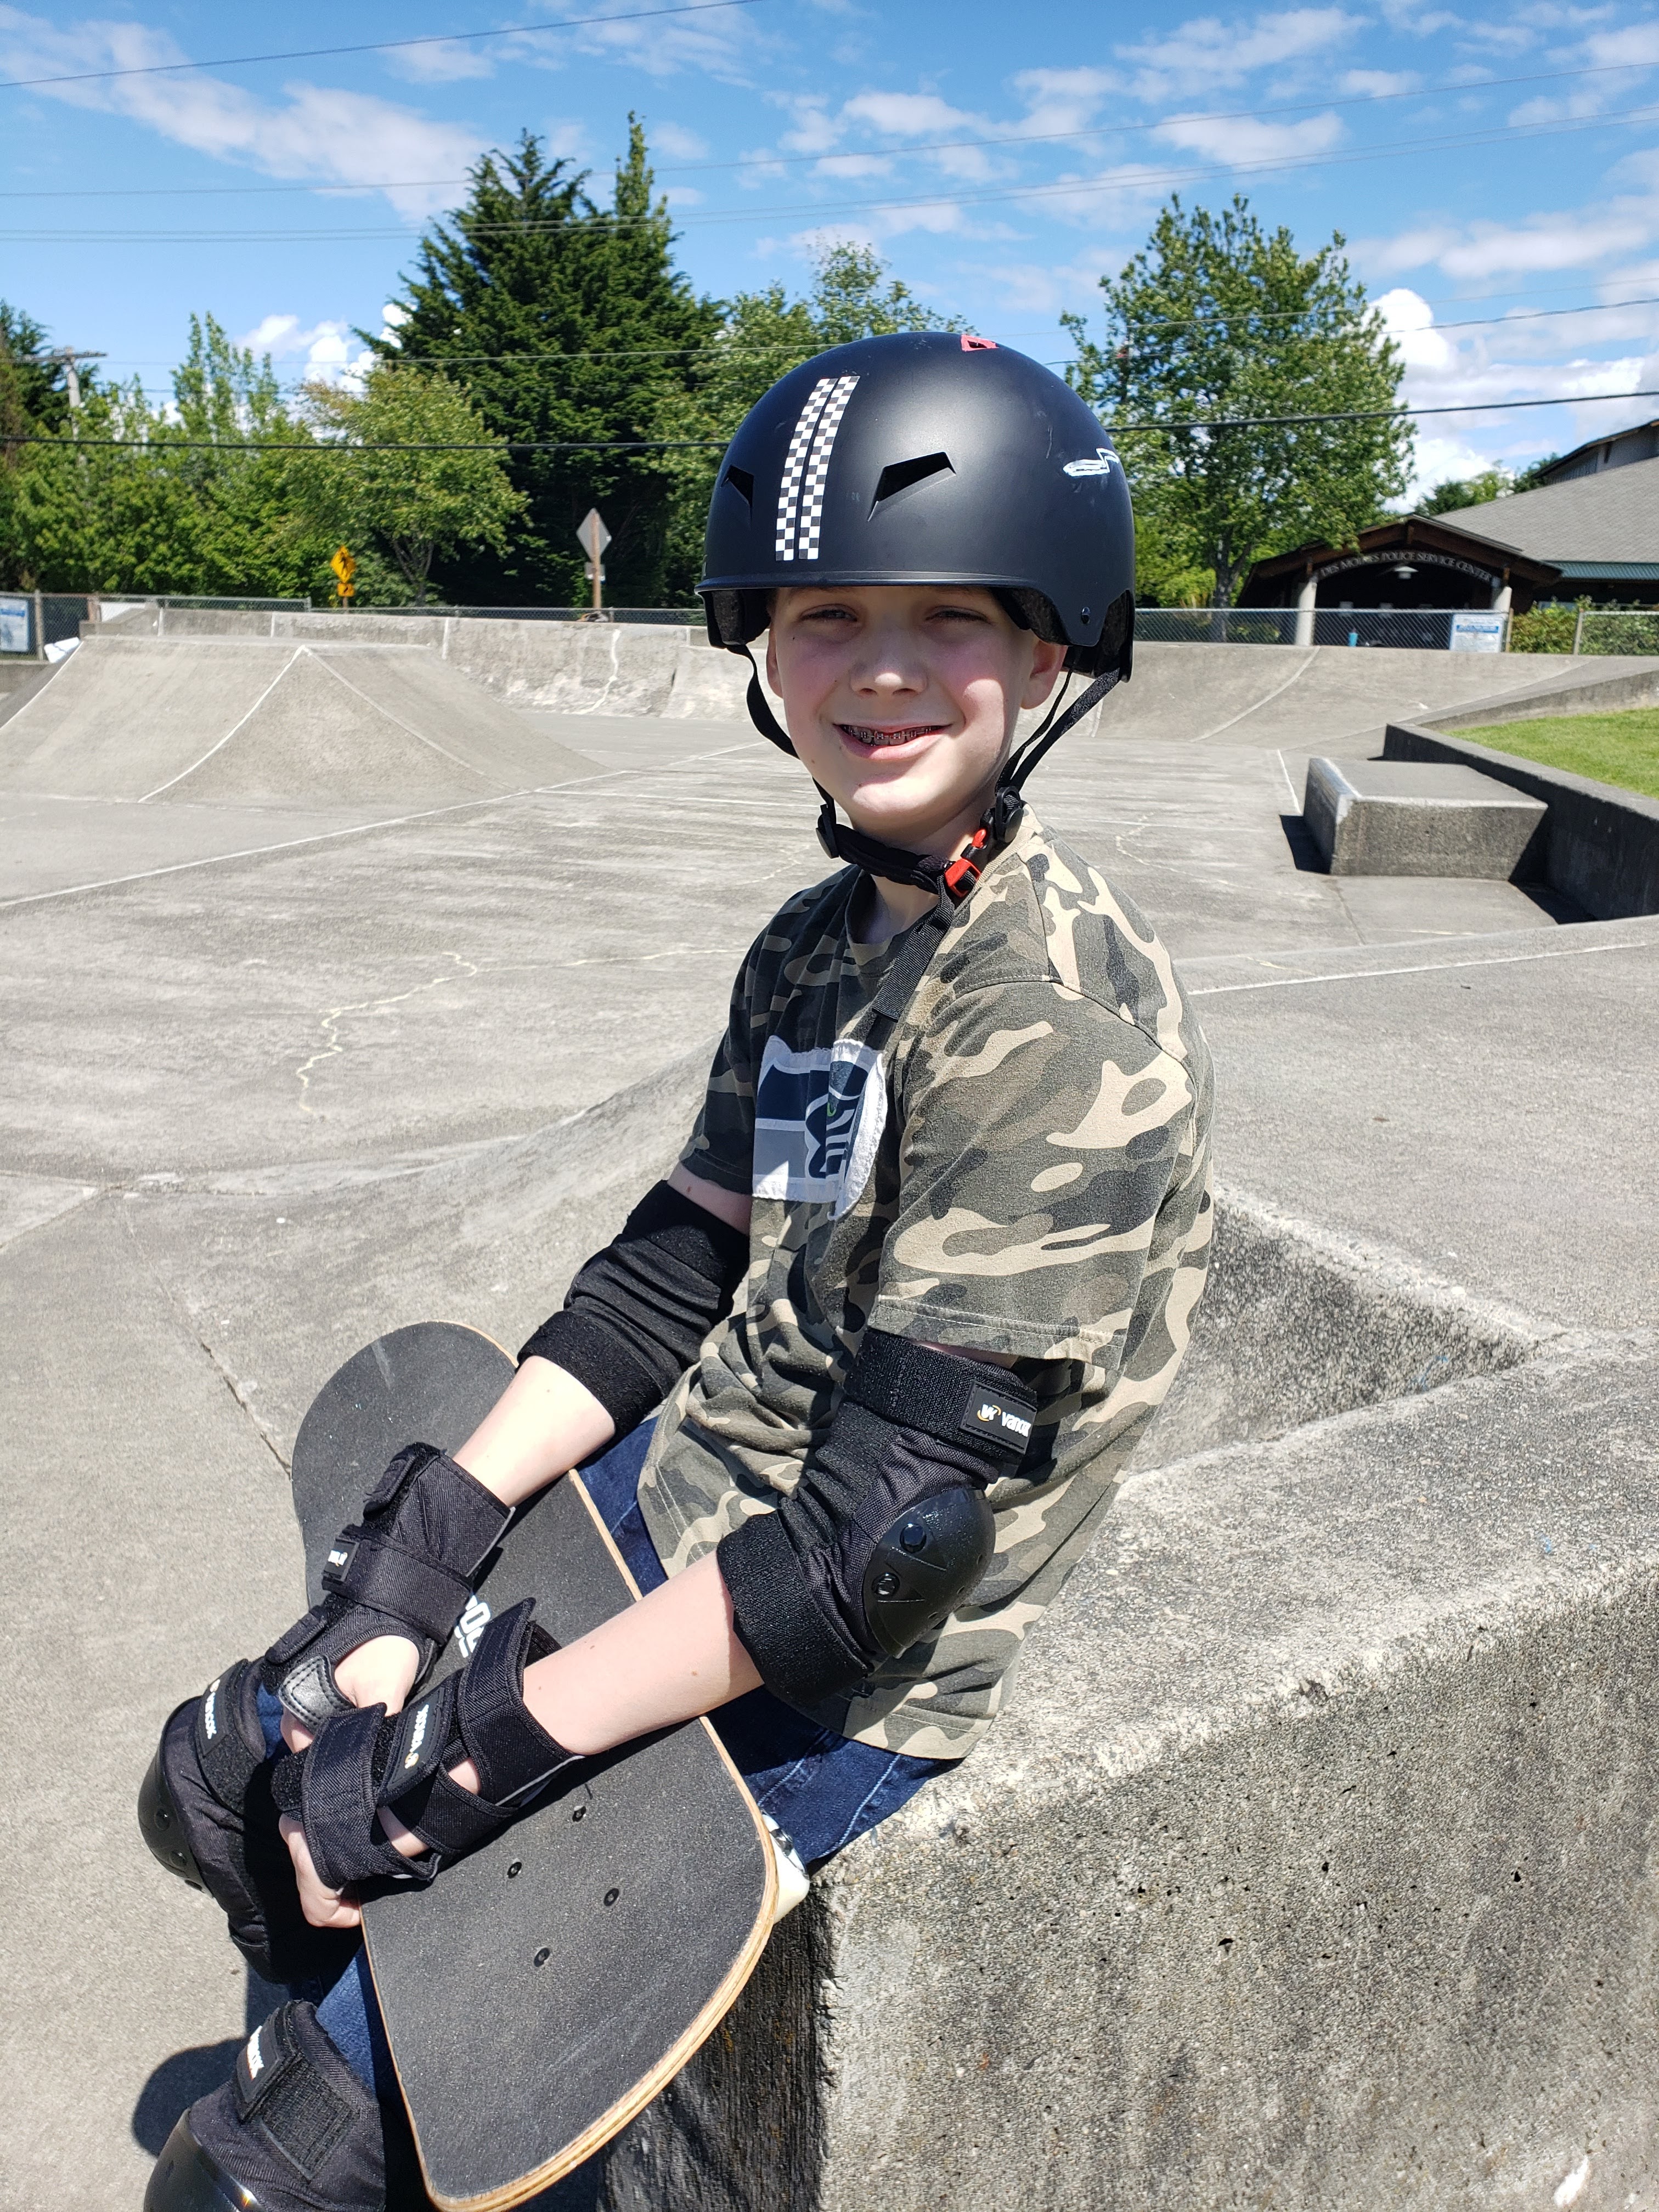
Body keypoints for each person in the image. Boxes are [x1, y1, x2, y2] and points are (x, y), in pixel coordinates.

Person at [140, 331, 1215, 2211]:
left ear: (1053, 652)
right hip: (692, 1503)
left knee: (261, 2178)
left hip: (848, 1650)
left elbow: (883, 1547)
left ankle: (383, 2096)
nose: (882, 667)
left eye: (951, 617)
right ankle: (352, 2018)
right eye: (826, 616)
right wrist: (436, 1534)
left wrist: (465, 1762)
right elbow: (674, 1269)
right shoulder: (814, 942)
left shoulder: (1054, 1014)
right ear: (762, 650)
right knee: (229, 1783)